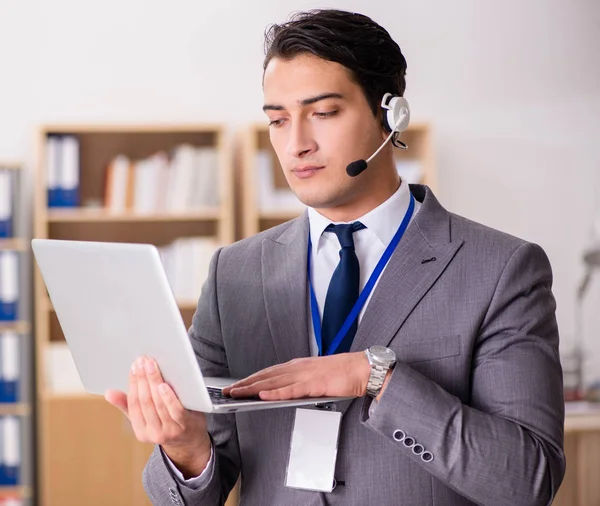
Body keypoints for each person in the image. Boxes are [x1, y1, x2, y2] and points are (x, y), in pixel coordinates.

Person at [106, 9, 565, 506]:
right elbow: (191, 491)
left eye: (323, 113)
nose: (296, 144)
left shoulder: (500, 269)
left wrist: (376, 380)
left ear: (392, 115)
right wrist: (184, 448)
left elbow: (527, 481)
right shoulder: (233, 272)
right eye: (278, 120)